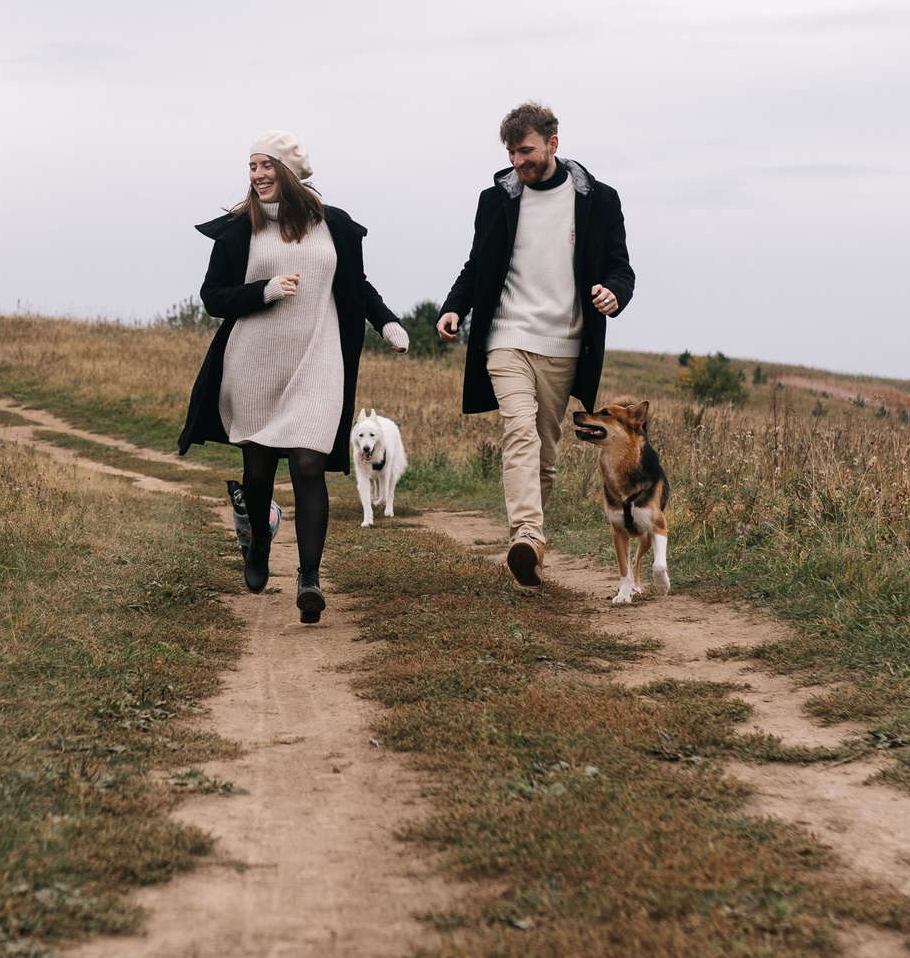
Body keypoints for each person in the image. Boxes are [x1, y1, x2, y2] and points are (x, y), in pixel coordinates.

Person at [179, 133, 410, 623]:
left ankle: (309, 578)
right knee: (259, 471)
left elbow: (356, 285)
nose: (258, 174)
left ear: (289, 172)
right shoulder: (242, 229)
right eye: (252, 166)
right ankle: (258, 541)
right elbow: (214, 297)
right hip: (256, 365)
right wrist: (264, 289)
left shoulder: (334, 227)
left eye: (267, 165)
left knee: (308, 465)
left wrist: (386, 322)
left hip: (317, 359)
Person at [435, 102, 635, 586]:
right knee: (519, 431)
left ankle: (532, 543)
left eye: (525, 151)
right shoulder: (497, 199)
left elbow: (619, 267)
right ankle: (527, 534)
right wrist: (454, 306)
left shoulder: (599, 200)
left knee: (544, 453)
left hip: (565, 344)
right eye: (510, 152)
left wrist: (614, 293)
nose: (518, 162)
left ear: (552, 144)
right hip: (506, 335)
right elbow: (476, 265)